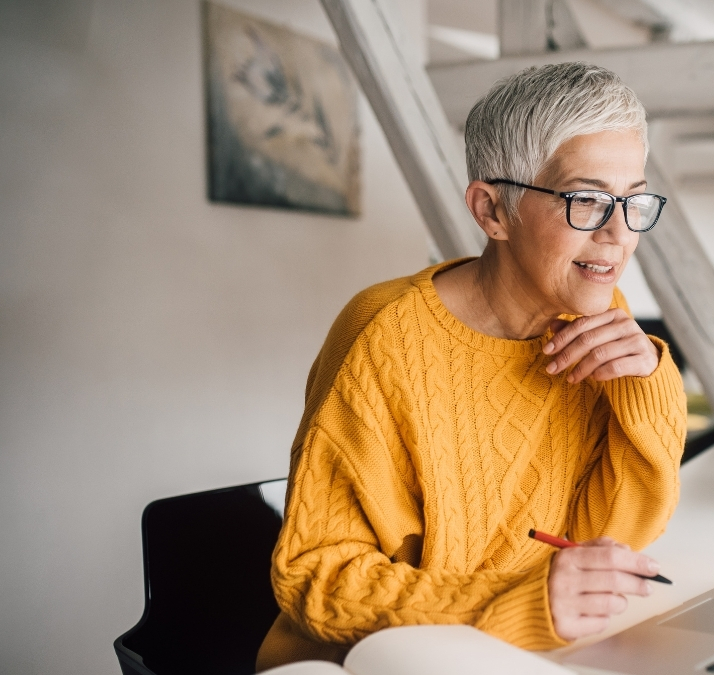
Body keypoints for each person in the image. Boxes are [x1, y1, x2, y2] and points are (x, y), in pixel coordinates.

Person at [255, 62, 687, 671]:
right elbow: (318, 578)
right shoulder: (384, 335)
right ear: (491, 212)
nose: (619, 233)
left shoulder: (591, 317)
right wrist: (514, 601)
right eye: (586, 200)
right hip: (360, 662)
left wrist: (648, 386)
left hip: (510, 655)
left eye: (634, 200)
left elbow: (613, 537)